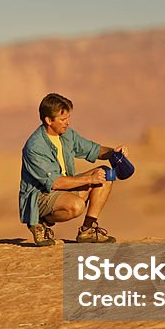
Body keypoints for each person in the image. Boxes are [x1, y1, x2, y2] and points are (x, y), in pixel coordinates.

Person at [19, 93, 128, 246]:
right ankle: (39, 221)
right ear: (49, 120)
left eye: (68, 118)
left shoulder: (66, 134)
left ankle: (87, 230)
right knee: (76, 206)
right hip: (41, 197)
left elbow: (93, 150)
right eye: (63, 119)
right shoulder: (35, 147)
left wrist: (113, 153)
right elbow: (55, 183)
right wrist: (90, 179)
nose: (67, 123)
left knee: (105, 175)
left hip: (62, 189)